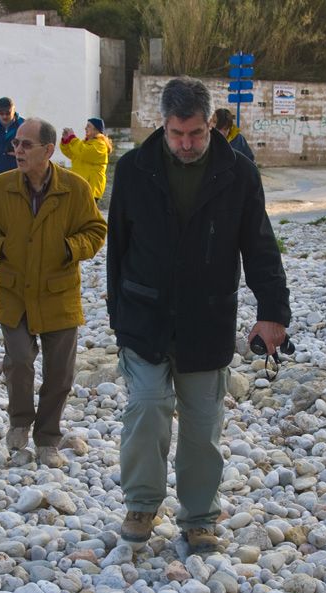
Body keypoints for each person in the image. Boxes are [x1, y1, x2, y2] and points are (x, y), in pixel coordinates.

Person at [107, 77, 290, 555]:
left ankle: (200, 517)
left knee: (203, 424)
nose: (186, 144)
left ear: (211, 124)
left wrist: (272, 312)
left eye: (195, 134)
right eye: (177, 134)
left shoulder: (239, 174)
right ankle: (141, 505)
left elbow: (260, 247)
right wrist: (117, 315)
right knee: (147, 405)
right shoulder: (133, 169)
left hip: (207, 320)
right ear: (163, 126)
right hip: (144, 317)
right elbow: (117, 248)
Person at [0, 118, 107, 468]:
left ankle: (48, 438)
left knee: (60, 373)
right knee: (19, 360)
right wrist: (3, 248)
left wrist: (68, 249)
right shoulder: (1, 186)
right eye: (16, 144)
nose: (17, 150)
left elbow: (96, 230)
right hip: (14, 291)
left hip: (58, 292)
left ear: (48, 151)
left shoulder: (75, 189)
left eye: (26, 145)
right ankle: (20, 420)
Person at [60, 117, 113, 201]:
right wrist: (66, 140)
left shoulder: (101, 145)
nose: (85, 128)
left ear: (96, 129)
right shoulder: (86, 144)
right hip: (80, 186)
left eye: (88, 126)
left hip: (91, 188)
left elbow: (84, 153)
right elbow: (72, 153)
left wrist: (72, 138)